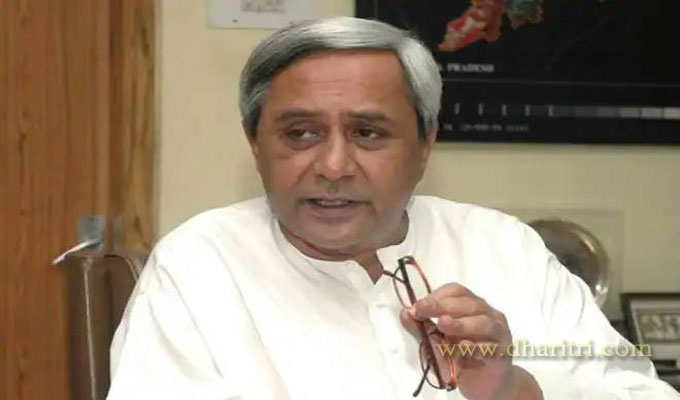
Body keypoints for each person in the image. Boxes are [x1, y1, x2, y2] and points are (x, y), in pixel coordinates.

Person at [107, 17, 680, 399]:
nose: (333, 166)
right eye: (300, 133)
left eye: (368, 133)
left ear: (425, 144)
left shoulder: (505, 248)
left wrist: (510, 391)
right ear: (256, 144)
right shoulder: (200, 265)